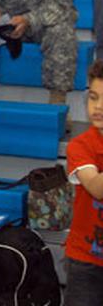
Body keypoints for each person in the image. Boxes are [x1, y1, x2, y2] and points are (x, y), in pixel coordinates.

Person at [64, 60, 103, 305]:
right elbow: (97, 188)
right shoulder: (80, 146)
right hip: (85, 262)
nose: (98, 106)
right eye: (93, 97)